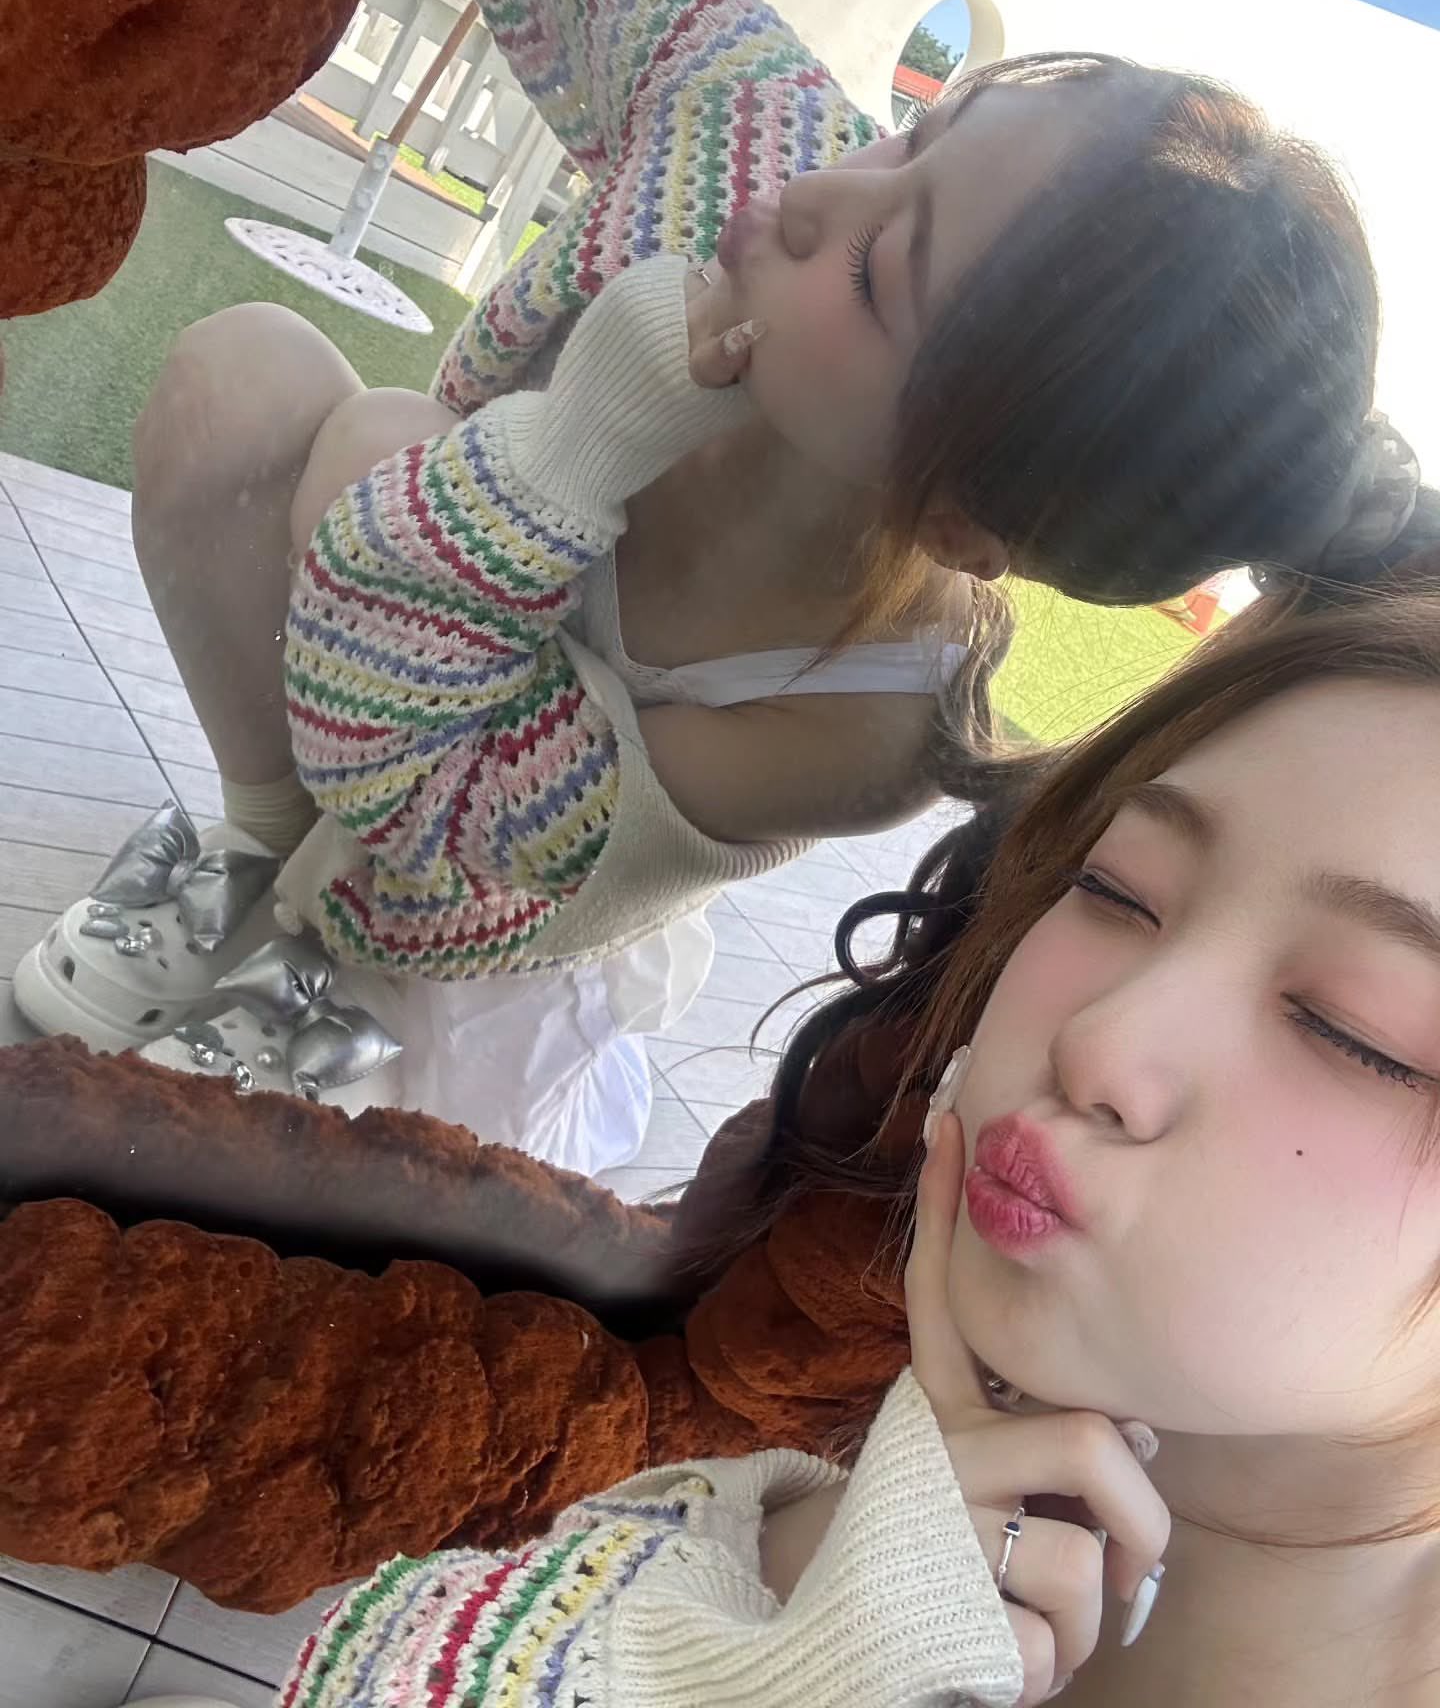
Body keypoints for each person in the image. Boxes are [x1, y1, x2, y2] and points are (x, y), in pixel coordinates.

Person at [17, 0, 1436, 1174]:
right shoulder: (756, 126)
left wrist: (578, 441)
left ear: (960, 516)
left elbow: (430, 814)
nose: (816, 195)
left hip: (477, 914)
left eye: (881, 270)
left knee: (377, 447)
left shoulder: (862, 719)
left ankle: (319, 958)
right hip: (379, 663)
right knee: (244, 375)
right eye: (912, 136)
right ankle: (257, 864)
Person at [134, 560, 1424, 1708]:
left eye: (1358, 1031)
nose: (1102, 1041)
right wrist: (795, 1607)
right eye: (1116, 888)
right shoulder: (840, 1512)